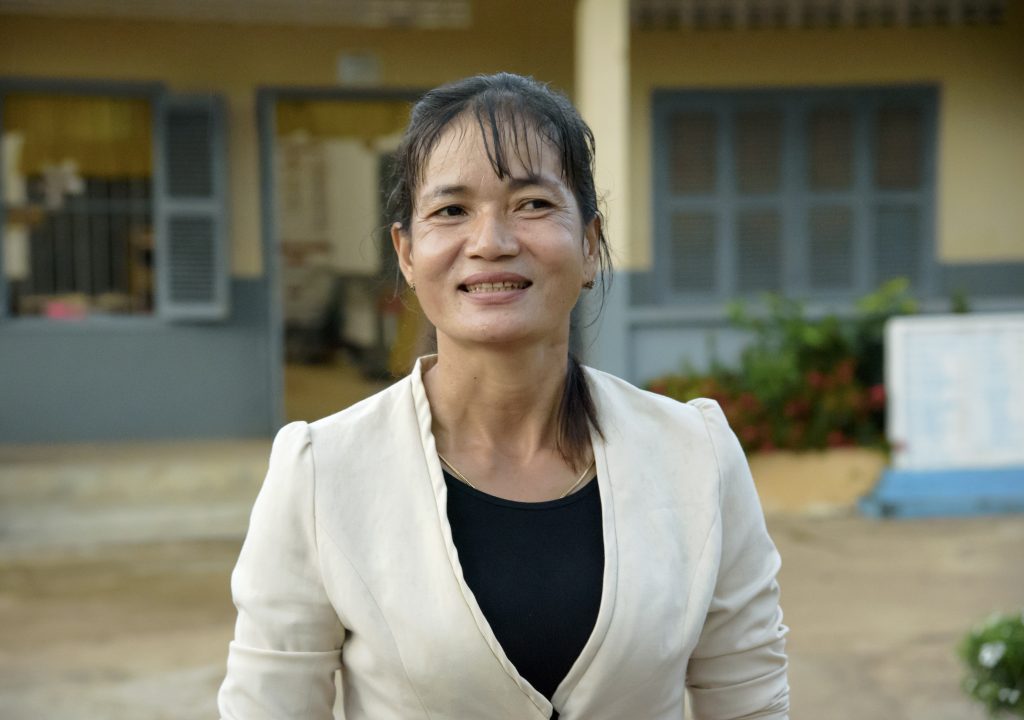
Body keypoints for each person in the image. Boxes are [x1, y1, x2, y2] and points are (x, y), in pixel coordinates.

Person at [218, 72, 789, 720]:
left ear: (590, 244)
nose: (491, 242)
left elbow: (750, 702)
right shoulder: (322, 472)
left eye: (533, 204)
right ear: (406, 252)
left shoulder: (695, 456)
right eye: (451, 210)